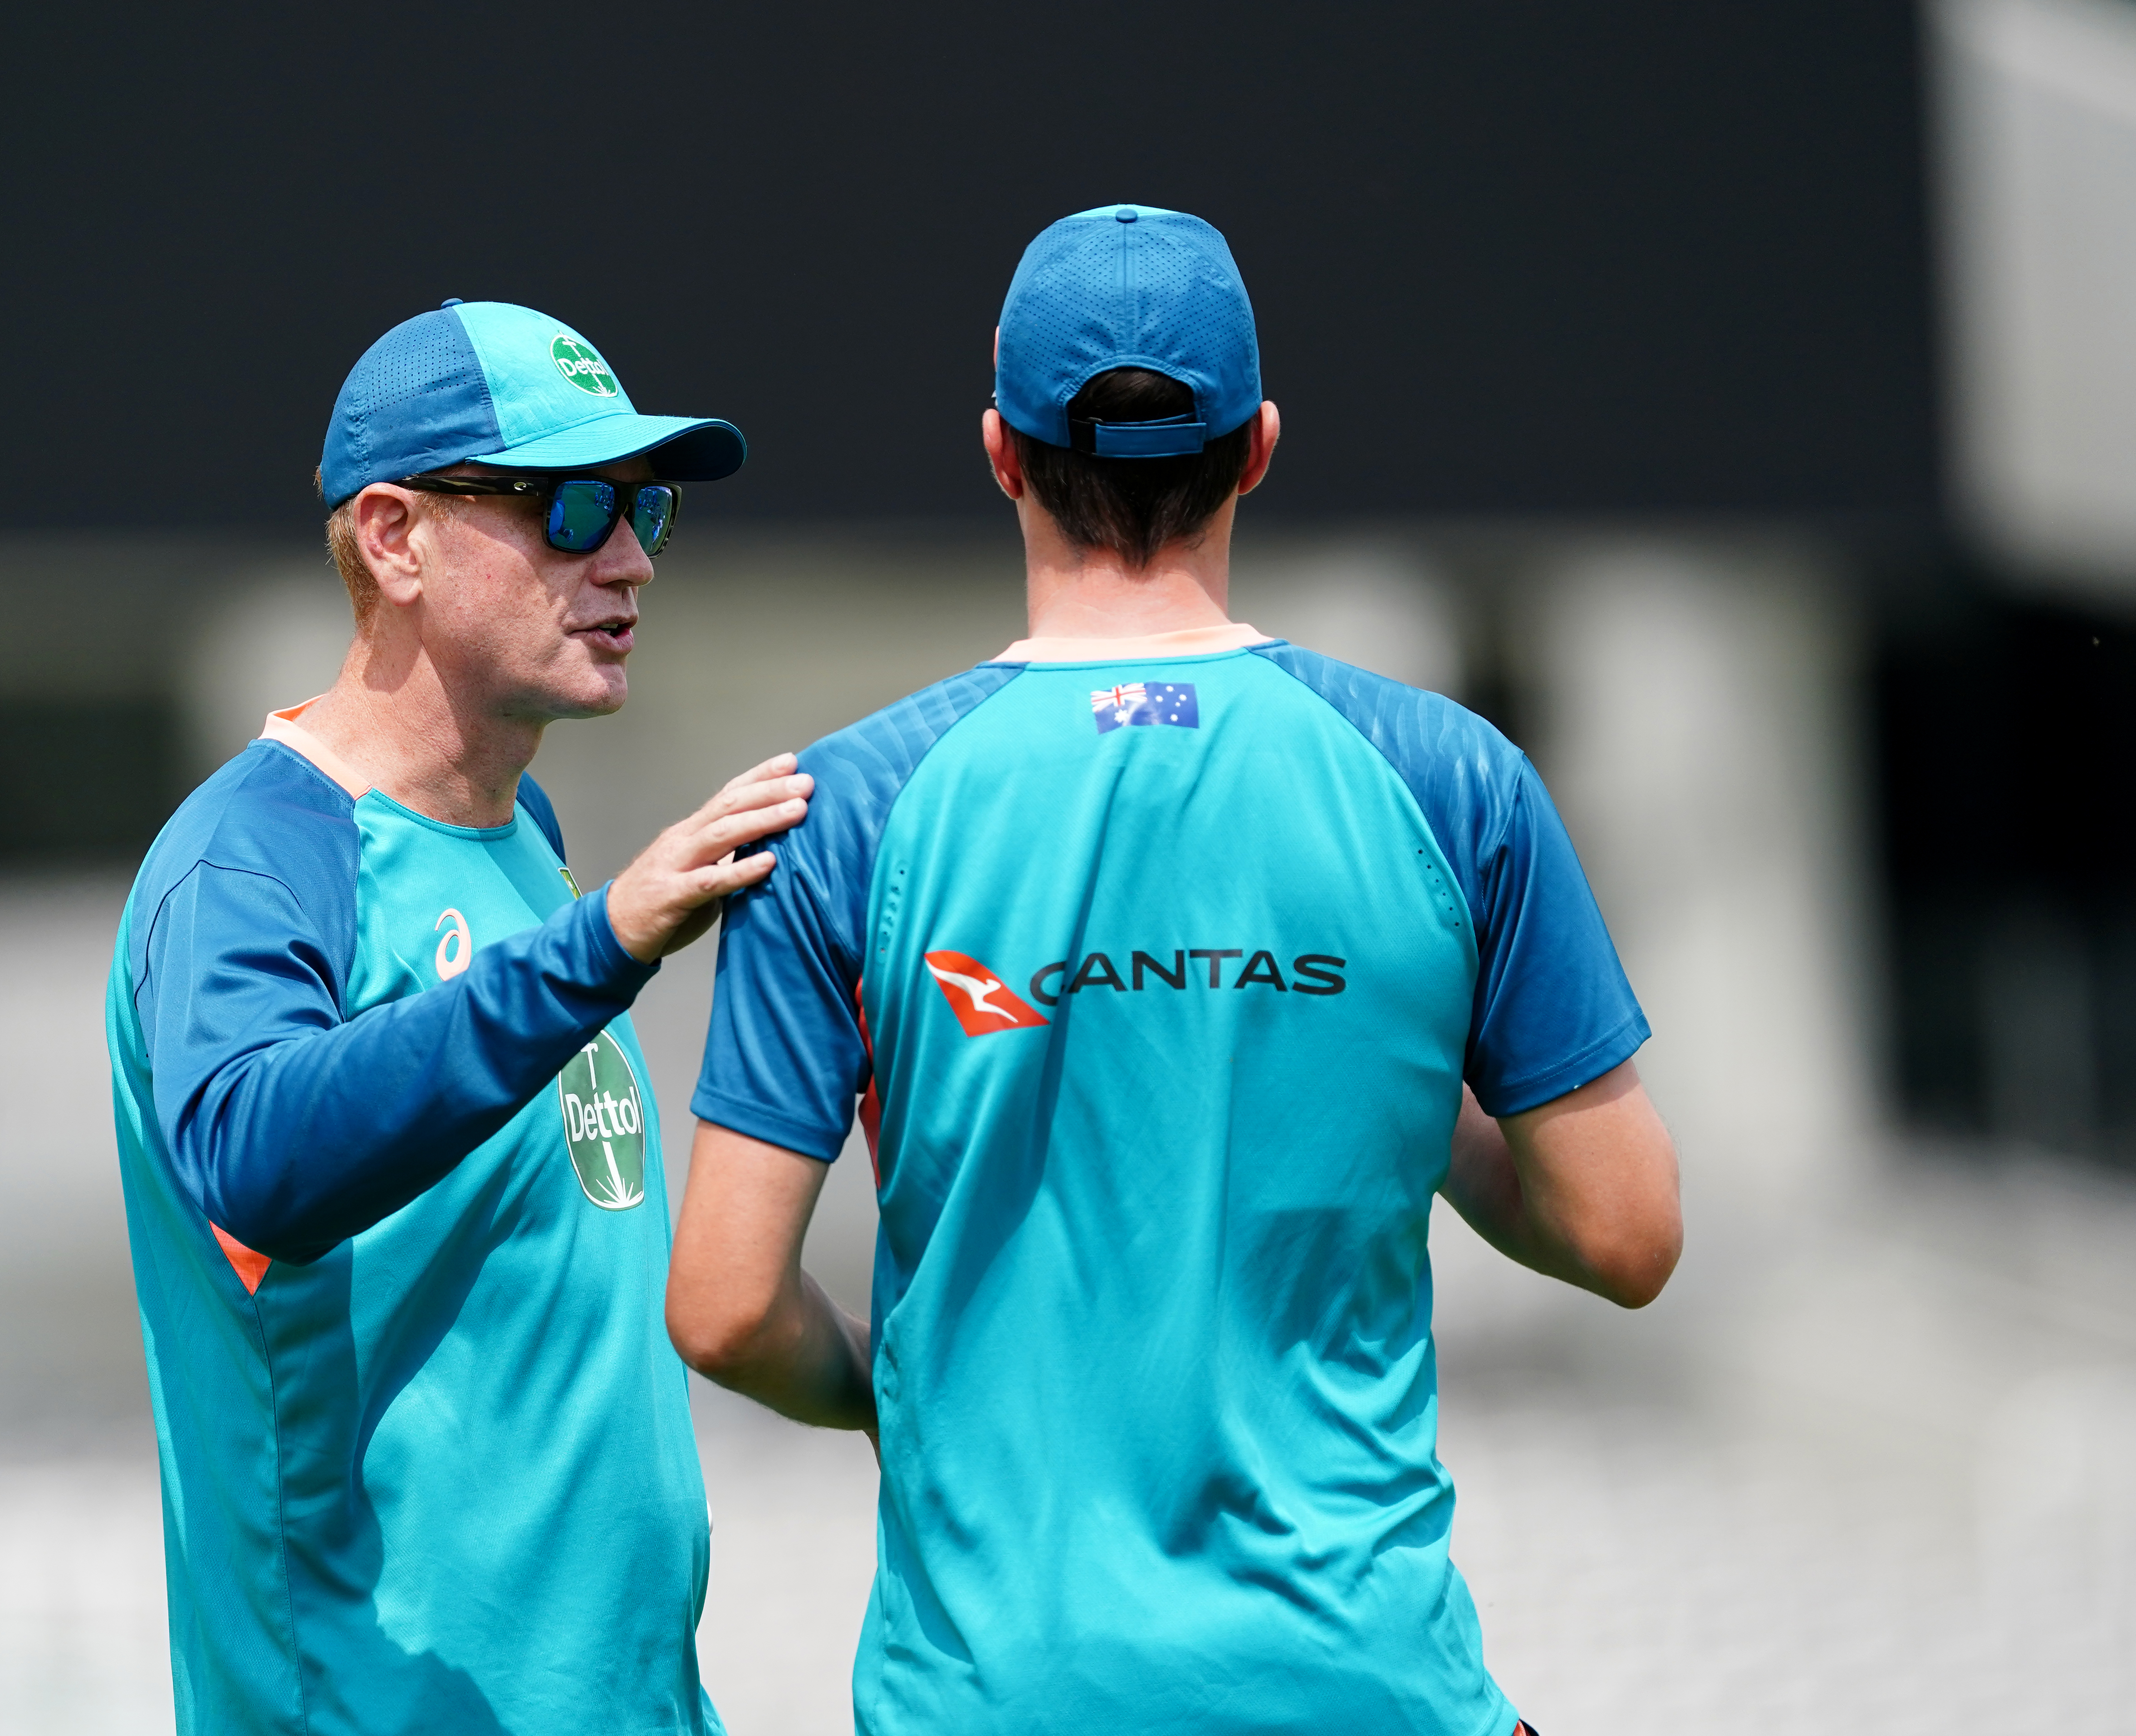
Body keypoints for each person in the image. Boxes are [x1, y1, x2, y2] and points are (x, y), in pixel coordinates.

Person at [667, 206, 1683, 1736]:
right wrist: (1424, 1114)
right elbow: (1627, 1235)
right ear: (1259, 447)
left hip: (992, 1696)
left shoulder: (845, 812)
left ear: (999, 453)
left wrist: (905, 1391)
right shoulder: (1449, 780)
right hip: (1359, 1680)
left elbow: (724, 1307)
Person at [106, 298, 808, 1735]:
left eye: (646, 510)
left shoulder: (518, 828)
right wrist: (598, 947)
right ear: (392, 536)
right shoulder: (258, 855)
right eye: (571, 508)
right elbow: (251, 1156)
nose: (626, 560)